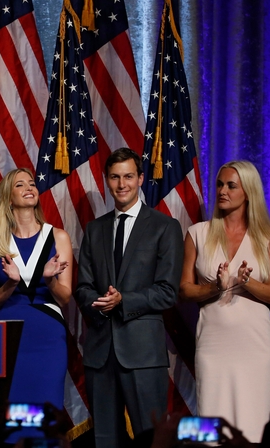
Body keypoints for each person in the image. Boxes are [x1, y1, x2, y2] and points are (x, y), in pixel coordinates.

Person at [75, 148, 183, 448]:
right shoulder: (94, 229)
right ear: (106, 181)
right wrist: (100, 304)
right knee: (104, 440)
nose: (122, 184)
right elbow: (82, 287)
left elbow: (168, 291)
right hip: (100, 354)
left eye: (128, 177)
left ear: (140, 179)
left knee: (151, 439)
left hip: (143, 354)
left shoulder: (165, 227)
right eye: (115, 177)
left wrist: (123, 301)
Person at [179, 161, 270, 442]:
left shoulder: (269, 237)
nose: (222, 191)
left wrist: (248, 282)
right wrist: (214, 287)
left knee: (255, 425)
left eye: (231, 185)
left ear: (248, 192)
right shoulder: (198, 233)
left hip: (255, 347)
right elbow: (185, 290)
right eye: (220, 185)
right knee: (213, 429)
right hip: (213, 345)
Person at [0, 168, 72, 441]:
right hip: (8, 337)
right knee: (11, 414)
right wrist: (10, 284)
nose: (29, 188)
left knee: (46, 414)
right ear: (8, 198)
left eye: (32, 183)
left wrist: (51, 280)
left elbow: (65, 296)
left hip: (47, 338)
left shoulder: (58, 237)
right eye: (20, 185)